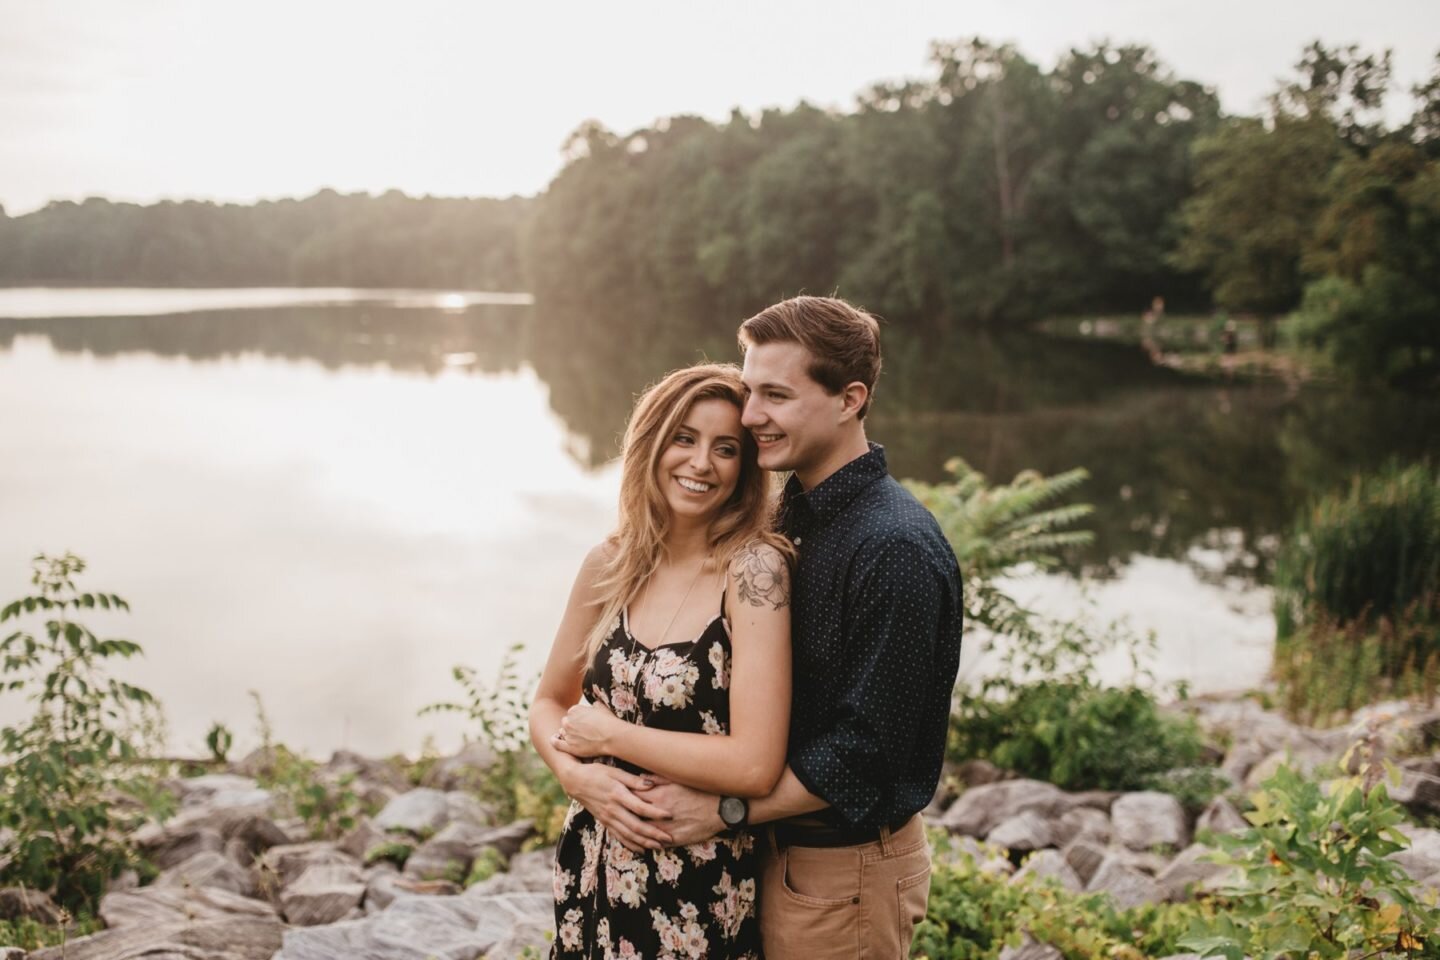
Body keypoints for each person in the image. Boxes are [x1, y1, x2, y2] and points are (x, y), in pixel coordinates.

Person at [639, 296, 964, 959]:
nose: (750, 414)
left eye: (776, 396)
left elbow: (864, 753)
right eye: (750, 388)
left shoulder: (893, 547)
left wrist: (725, 811)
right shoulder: (795, 513)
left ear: (849, 399)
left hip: (841, 873)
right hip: (774, 853)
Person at [529, 363, 795, 959]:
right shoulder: (610, 563)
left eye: (725, 448)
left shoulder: (753, 573)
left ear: (745, 467)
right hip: (590, 872)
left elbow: (754, 764)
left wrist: (610, 733)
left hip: (694, 888)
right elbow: (548, 703)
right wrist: (575, 776)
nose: (701, 463)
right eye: (684, 438)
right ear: (652, 443)